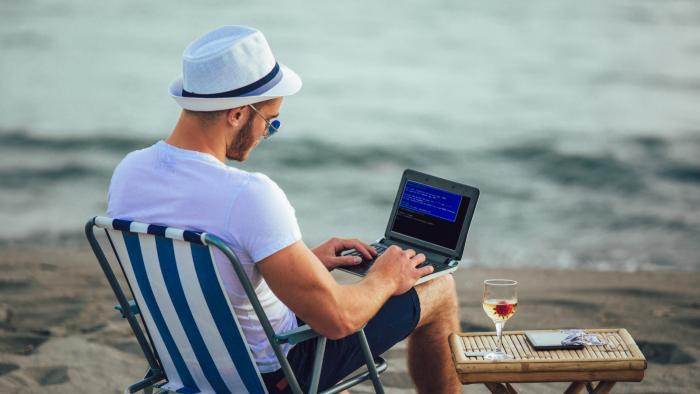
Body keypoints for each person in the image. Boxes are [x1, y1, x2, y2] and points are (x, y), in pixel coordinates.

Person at [107, 25, 461, 393]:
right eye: (270, 122)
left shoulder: (129, 173)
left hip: (188, 368)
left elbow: (207, 272)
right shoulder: (247, 194)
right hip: (273, 376)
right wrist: (386, 277)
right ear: (237, 114)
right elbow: (338, 320)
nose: (266, 134)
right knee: (439, 287)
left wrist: (296, 260)